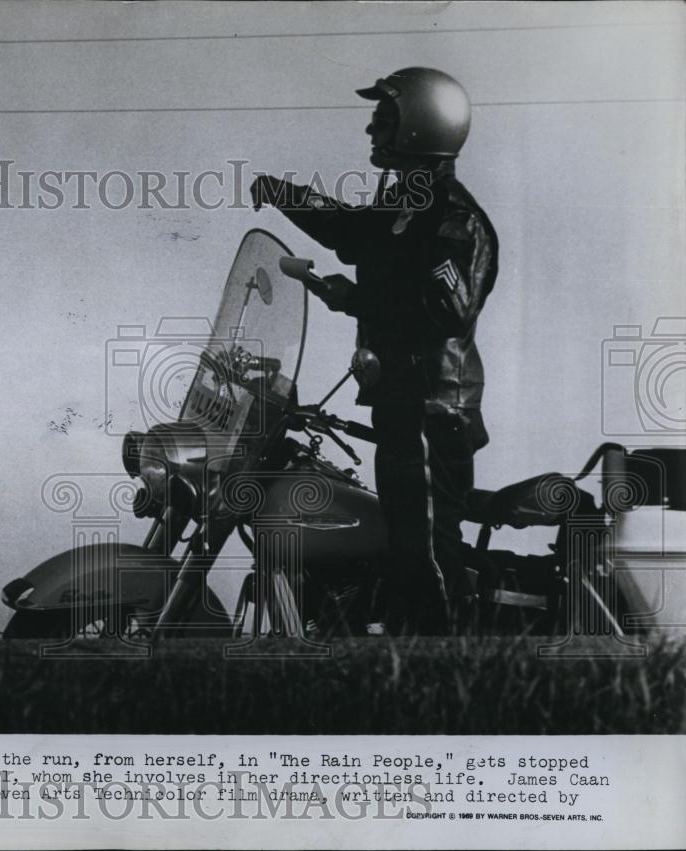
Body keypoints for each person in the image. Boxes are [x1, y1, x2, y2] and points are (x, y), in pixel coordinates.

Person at [251, 68, 498, 633]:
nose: (370, 130)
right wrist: (285, 194)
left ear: (419, 128)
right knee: (405, 541)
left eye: (384, 120)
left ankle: (444, 660)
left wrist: (356, 299)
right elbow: (350, 230)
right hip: (403, 400)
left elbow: (448, 311)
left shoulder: (453, 217)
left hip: (433, 404)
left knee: (424, 545)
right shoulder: (407, 206)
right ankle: (402, 651)